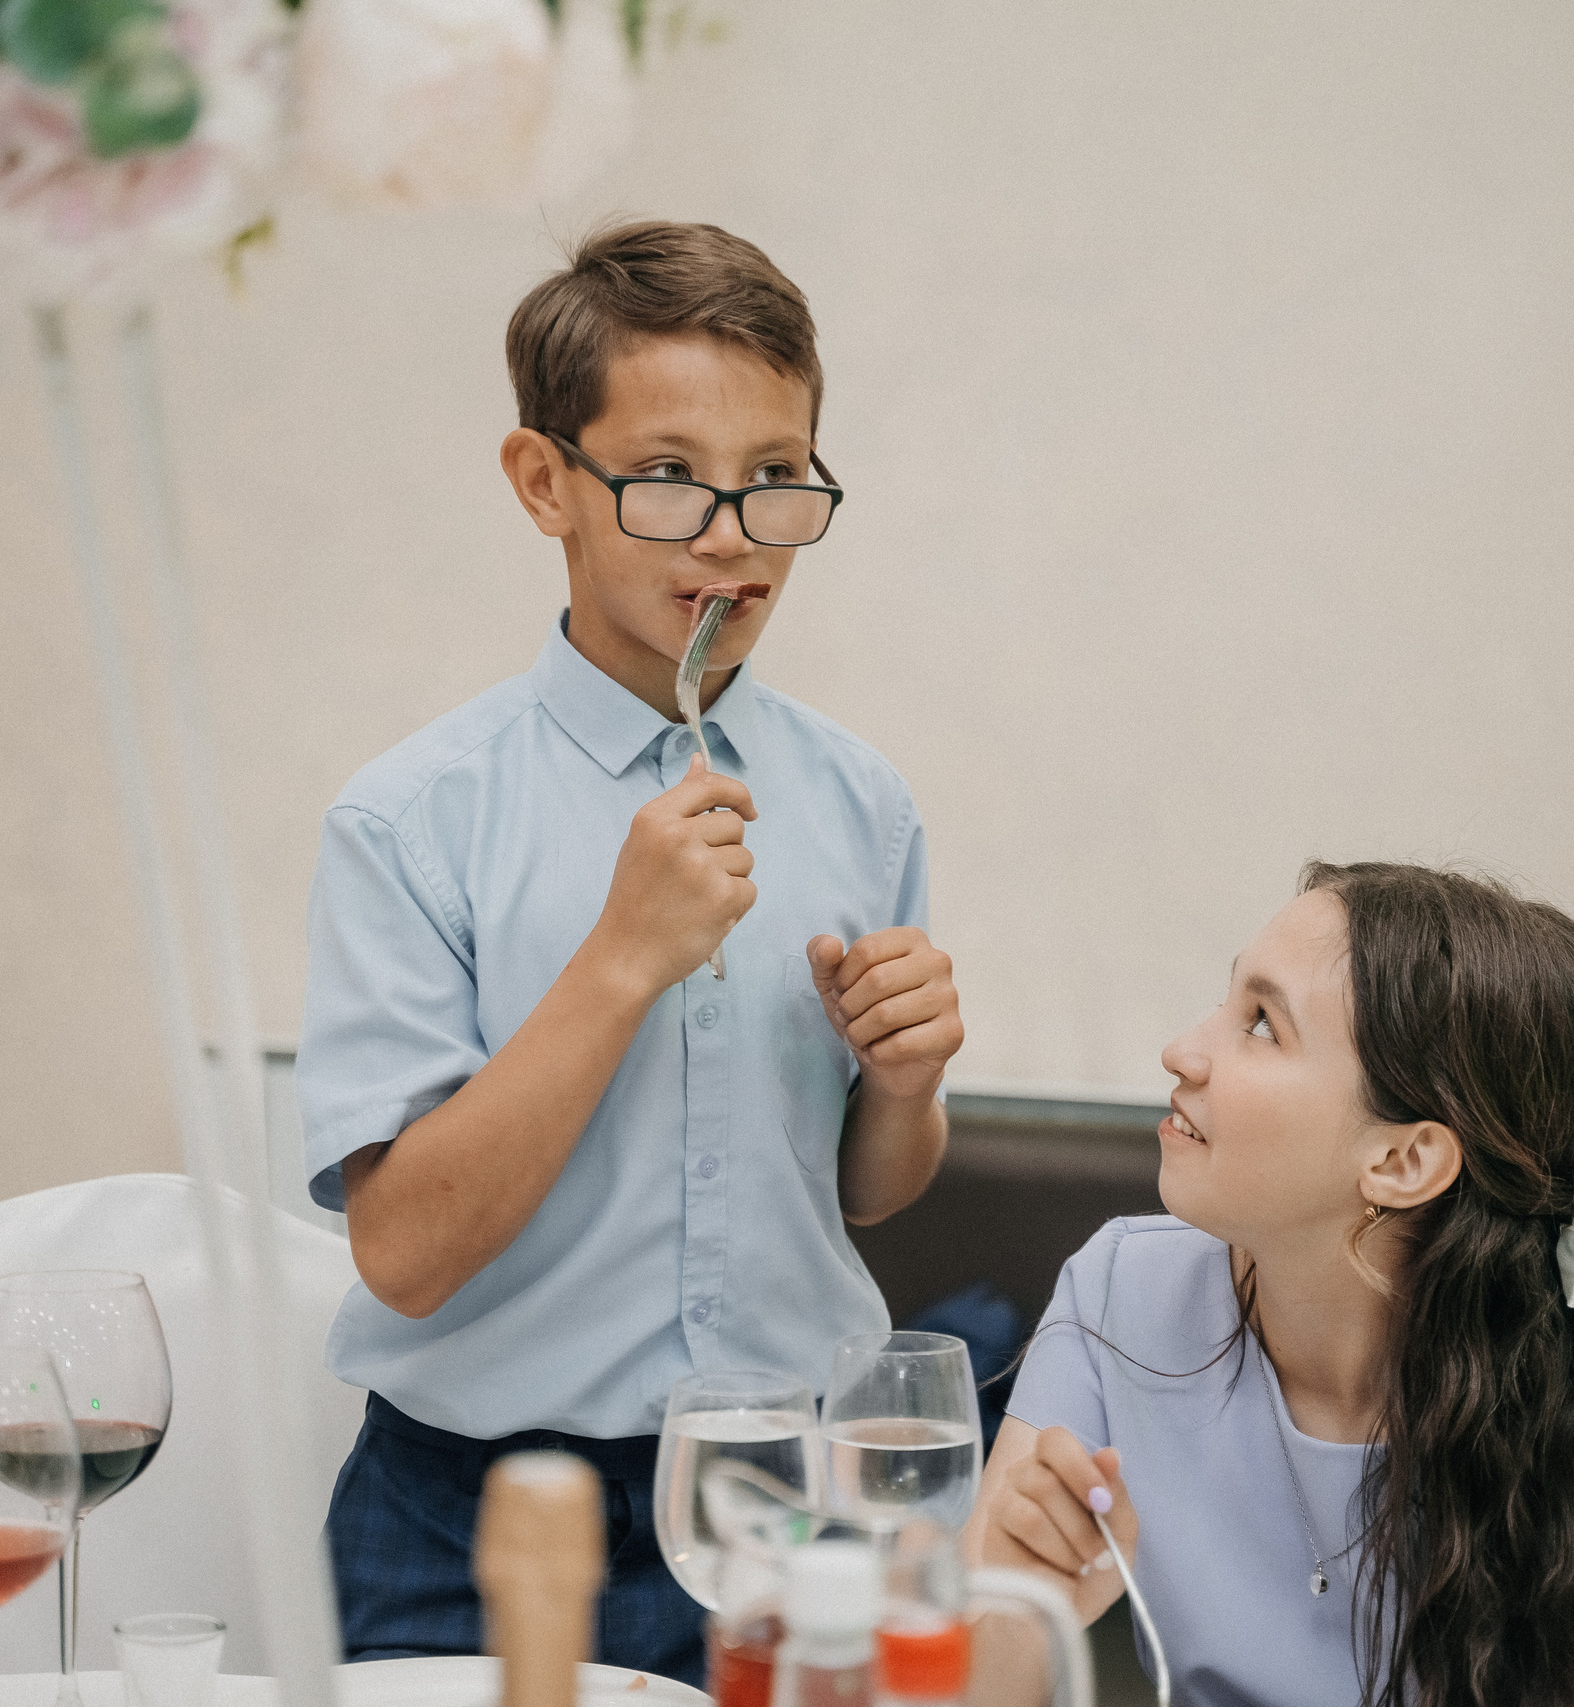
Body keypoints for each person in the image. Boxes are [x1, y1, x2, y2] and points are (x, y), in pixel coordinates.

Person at [300, 220, 965, 1684]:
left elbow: (863, 1188)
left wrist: (906, 1084)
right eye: (667, 477)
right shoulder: (410, 818)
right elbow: (404, 1251)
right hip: (470, 1515)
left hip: (794, 1500)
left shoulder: (864, 798)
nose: (731, 534)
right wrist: (618, 959)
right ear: (547, 482)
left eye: (779, 477)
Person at [974, 862, 1574, 1707]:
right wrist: (1015, 1601)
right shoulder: (1121, 1292)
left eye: (1261, 1024)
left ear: (1403, 1160)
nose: (1182, 1051)